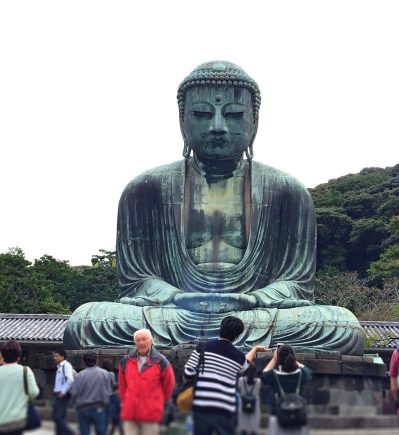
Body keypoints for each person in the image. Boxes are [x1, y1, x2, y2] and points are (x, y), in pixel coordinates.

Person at [64, 61, 363, 356]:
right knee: (87, 321)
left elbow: (295, 284)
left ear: (254, 122)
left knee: (341, 326)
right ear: (182, 120)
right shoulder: (145, 188)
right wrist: (179, 297)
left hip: (254, 314)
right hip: (174, 313)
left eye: (233, 115)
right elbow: (137, 281)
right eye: (202, 114)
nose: (217, 127)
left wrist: (252, 299)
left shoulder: (287, 191)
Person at [184, 316, 268, 435]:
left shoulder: (202, 348)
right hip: (225, 408)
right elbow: (246, 366)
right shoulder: (238, 356)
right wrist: (254, 350)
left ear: (221, 328)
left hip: (202, 407)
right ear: (237, 336)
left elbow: (188, 373)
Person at [118, 328, 175, 435]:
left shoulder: (161, 361)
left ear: (151, 341)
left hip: (150, 413)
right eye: (138, 340)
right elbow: (122, 386)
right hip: (130, 412)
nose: (141, 343)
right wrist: (126, 401)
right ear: (135, 343)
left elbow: (169, 385)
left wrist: (158, 401)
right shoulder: (126, 361)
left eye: (144, 339)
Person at [262, 345, 312, 435]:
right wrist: (293, 359)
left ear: (278, 357)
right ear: (293, 357)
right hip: (298, 417)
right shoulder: (302, 374)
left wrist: (274, 359)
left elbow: (264, 374)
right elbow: (308, 371)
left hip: (278, 417)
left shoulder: (273, 375)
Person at [0, 340, 39, 435]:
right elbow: (34, 393)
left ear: (2, 356)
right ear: (18, 357)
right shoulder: (25, 371)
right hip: (17, 421)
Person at [71, 351, 111, 435]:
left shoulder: (79, 375)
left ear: (84, 361)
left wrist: (76, 404)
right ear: (97, 360)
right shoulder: (105, 374)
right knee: (101, 432)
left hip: (83, 409)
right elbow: (107, 392)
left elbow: (74, 393)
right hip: (99, 408)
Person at [52, 349, 75, 435]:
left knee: (58, 417)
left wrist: (63, 392)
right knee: (58, 417)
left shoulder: (66, 365)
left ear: (62, 357)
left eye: (56, 356)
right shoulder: (60, 366)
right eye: (54, 356)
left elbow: (70, 379)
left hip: (62, 395)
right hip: (58, 394)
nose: (54, 357)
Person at [237, 361, 261, 435]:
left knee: (243, 428)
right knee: (254, 428)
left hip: (243, 404)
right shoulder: (258, 381)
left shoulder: (241, 380)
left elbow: (239, 388)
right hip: (254, 405)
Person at [101, 359, 123, 435]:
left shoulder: (101, 373)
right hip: (111, 396)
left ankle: (111, 432)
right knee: (115, 416)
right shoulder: (111, 374)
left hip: (102, 397)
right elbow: (114, 385)